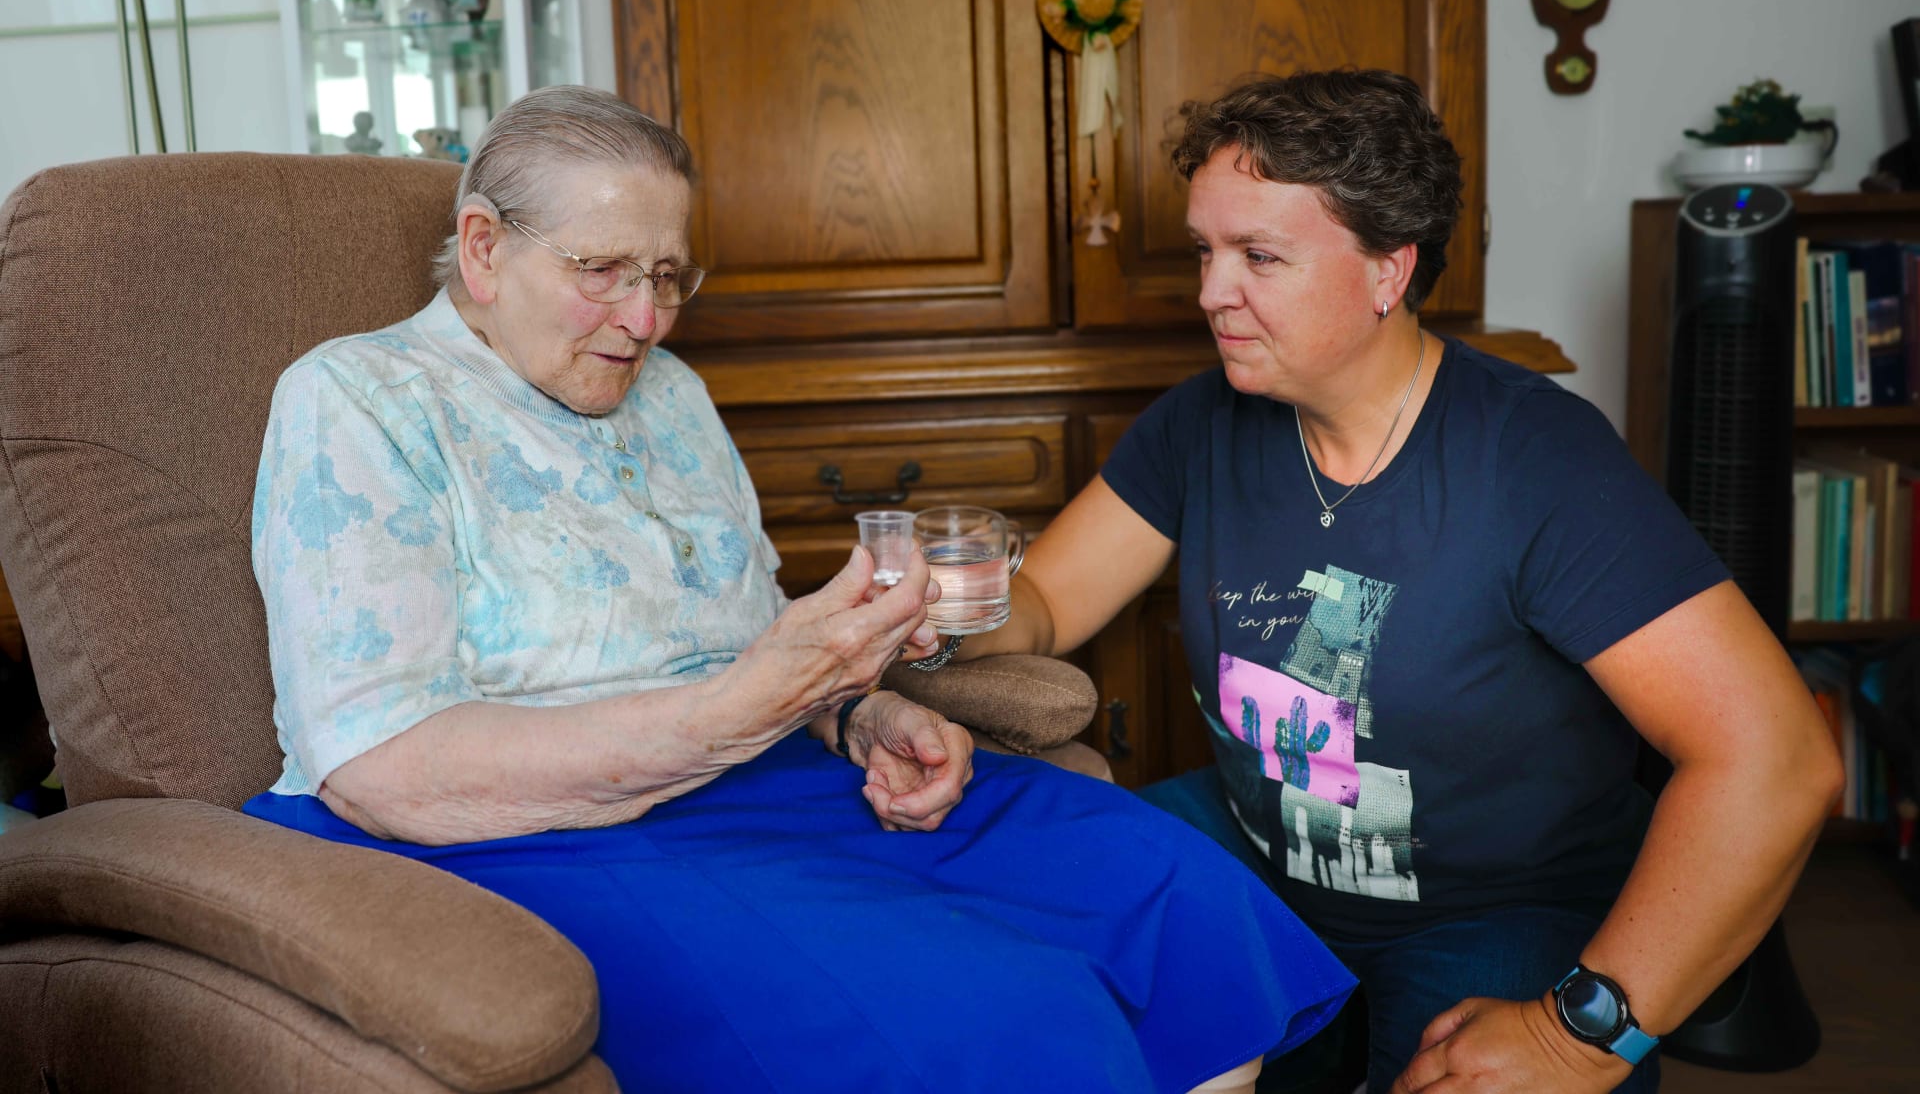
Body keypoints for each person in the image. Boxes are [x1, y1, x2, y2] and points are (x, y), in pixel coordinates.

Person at [244, 85, 1355, 1093]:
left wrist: (855, 712)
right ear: (484, 248)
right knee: (999, 1010)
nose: (645, 319)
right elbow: (379, 765)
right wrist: (729, 716)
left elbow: (743, 645)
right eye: (602, 271)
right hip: (535, 832)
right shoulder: (362, 398)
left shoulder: (669, 394)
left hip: (754, 778)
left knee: (1176, 888)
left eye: (666, 277)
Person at [957, 69, 1843, 1093]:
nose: (1209, 291)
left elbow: (1777, 759)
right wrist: (930, 607)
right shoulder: (1200, 424)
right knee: (1013, 911)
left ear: (1390, 268)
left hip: (1505, 905)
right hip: (1259, 852)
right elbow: (1044, 603)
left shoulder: (1535, 459)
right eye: (1205, 250)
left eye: (1258, 256)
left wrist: (1575, 1037)